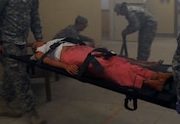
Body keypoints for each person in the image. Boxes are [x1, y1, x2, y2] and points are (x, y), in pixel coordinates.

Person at [33, 38, 172, 91]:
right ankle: (146, 82)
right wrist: (65, 66)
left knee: (116, 60)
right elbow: (46, 61)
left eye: (39, 40)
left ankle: (155, 75)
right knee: (105, 67)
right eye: (36, 43)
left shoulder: (54, 40)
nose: (39, 41)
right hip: (69, 56)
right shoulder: (40, 51)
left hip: (81, 50)